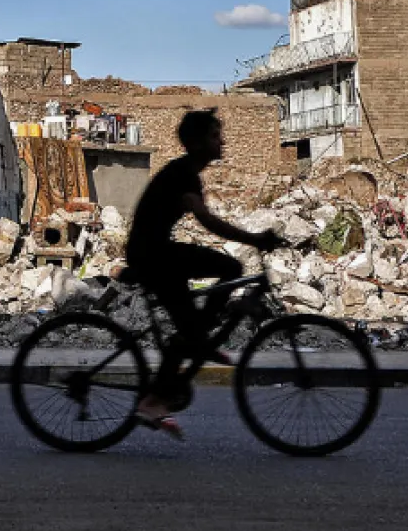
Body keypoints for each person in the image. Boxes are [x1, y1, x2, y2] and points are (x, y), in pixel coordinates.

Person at [110, 108, 282, 439]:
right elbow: (206, 220)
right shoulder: (183, 174)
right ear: (199, 142)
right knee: (228, 270)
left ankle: (197, 339)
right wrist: (254, 238)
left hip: (156, 251)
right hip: (151, 256)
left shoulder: (188, 171)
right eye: (216, 135)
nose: (223, 141)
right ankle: (153, 401)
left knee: (220, 281)